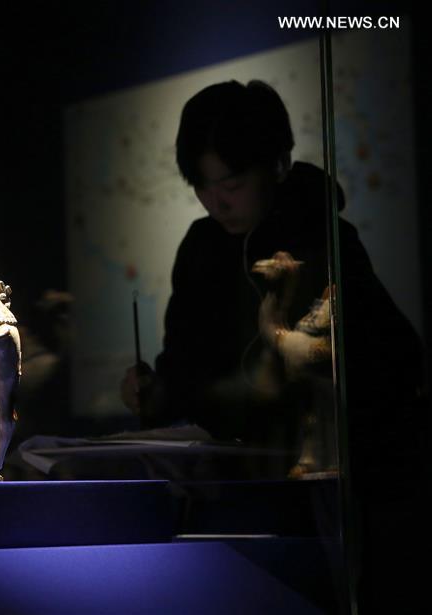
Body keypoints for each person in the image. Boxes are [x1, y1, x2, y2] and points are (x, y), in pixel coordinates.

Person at [120, 79, 428, 613]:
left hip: (326, 492)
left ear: (278, 163)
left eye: (233, 180)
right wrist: (155, 390)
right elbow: (182, 367)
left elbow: (396, 359)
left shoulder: (326, 239)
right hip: (235, 491)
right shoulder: (200, 246)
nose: (218, 199)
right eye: (201, 183)